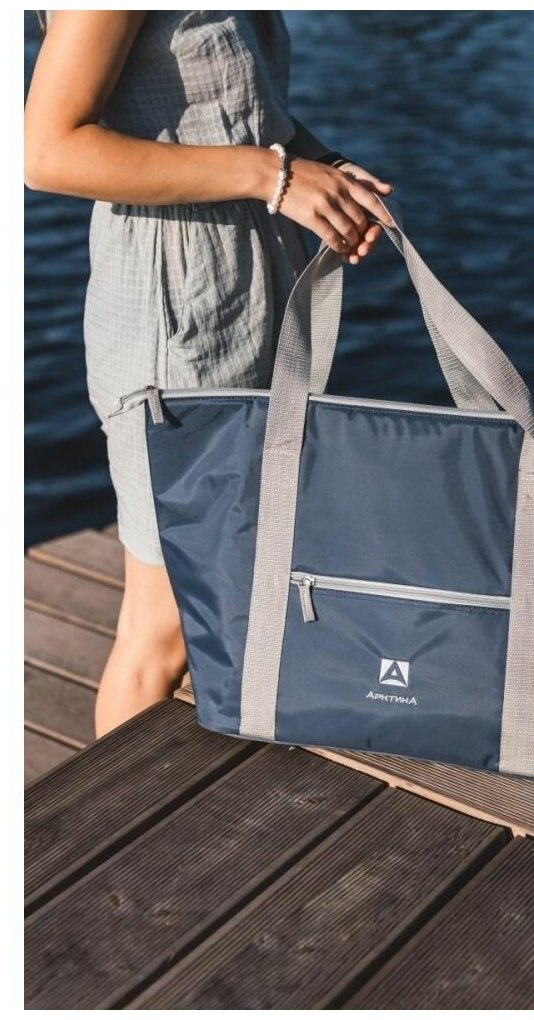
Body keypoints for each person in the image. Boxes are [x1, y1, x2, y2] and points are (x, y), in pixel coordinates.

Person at [24, 11, 394, 736]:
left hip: (256, 289)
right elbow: (46, 150)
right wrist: (274, 176)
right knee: (160, 631)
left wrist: (320, 167)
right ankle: (122, 811)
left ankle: (211, 789)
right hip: (176, 313)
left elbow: (231, 108)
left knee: (240, 578)